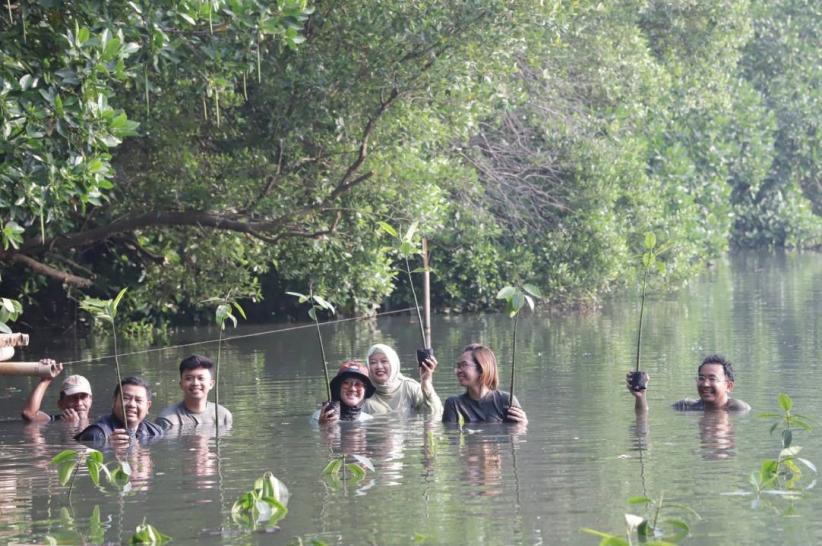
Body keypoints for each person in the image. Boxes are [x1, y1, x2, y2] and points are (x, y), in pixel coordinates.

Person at [627, 354, 751, 413]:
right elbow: (644, 416)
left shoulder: (738, 409)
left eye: (712, 379)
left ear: (728, 386)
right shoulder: (686, 406)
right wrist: (641, 397)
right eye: (701, 378)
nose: (705, 384)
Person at [442, 343, 528, 424]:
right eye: (458, 366)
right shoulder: (454, 404)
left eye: (464, 365)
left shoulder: (506, 400)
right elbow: (451, 433)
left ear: (481, 368)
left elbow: (516, 432)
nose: (458, 371)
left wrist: (522, 424)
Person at [75, 376, 164, 446]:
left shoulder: (156, 432)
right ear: (114, 401)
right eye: (125, 398)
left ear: (148, 406)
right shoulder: (96, 435)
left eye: (138, 400)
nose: (132, 404)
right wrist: (107, 446)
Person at [362, 343, 443, 418]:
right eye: (373, 362)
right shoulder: (362, 392)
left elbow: (435, 413)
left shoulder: (409, 387)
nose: (379, 366)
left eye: (384, 361)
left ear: (393, 363)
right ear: (368, 366)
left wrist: (426, 382)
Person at [156, 354, 232, 429]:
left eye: (201, 378)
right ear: (181, 384)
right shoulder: (167, 420)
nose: (195, 383)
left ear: (211, 384)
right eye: (188, 378)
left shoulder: (223, 415)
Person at [21, 360, 92, 424]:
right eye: (73, 397)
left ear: (90, 401)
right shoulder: (53, 421)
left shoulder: (97, 423)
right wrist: (46, 380)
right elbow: (29, 414)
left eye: (83, 397)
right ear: (60, 404)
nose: (79, 403)